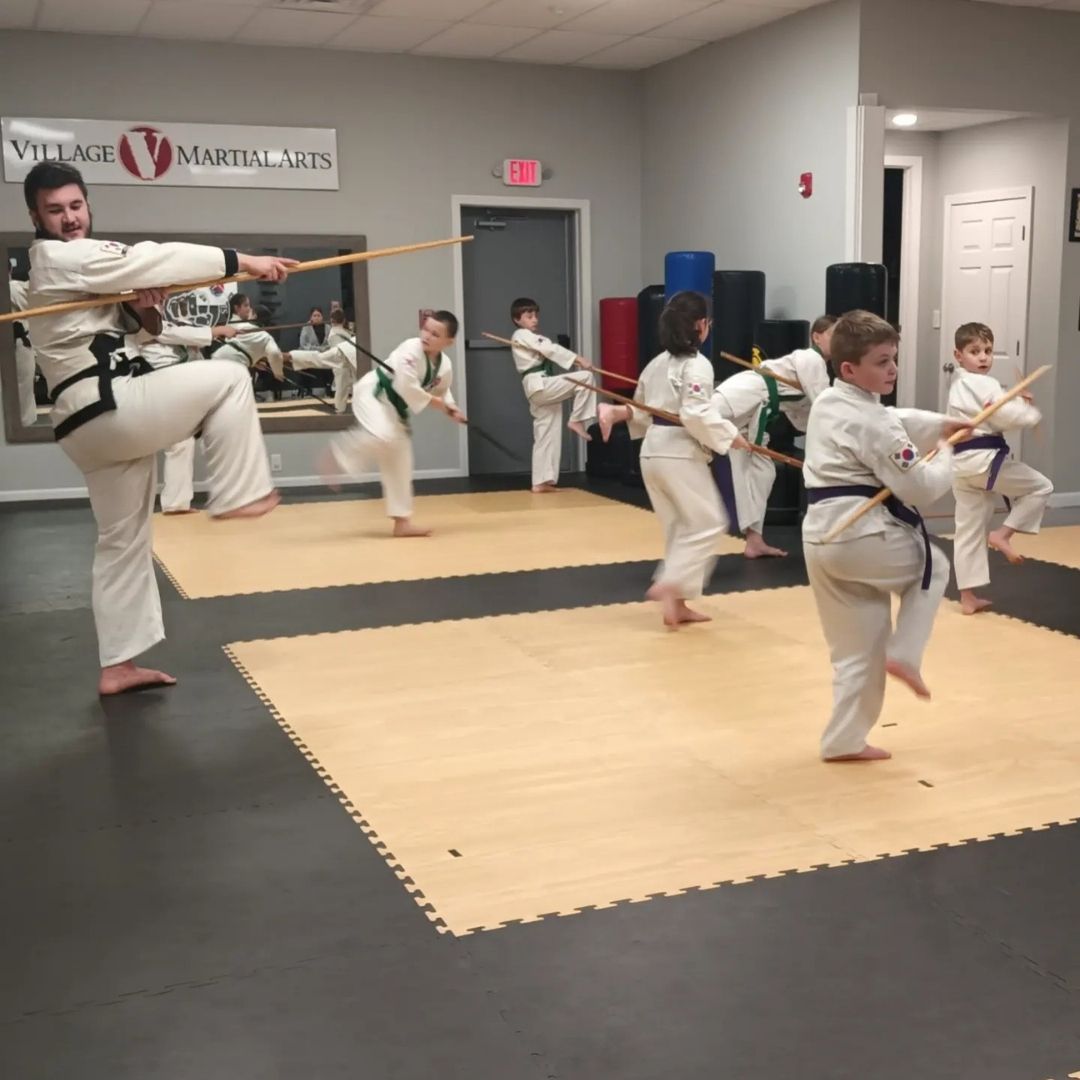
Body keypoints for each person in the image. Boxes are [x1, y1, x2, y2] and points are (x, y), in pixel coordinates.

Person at [23, 160, 294, 696]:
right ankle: (239, 493)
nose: (70, 218)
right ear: (36, 216)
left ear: (87, 206)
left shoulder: (79, 272)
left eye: (76, 206)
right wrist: (246, 261)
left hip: (88, 428)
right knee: (228, 378)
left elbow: (144, 331)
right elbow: (155, 256)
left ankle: (118, 665)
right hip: (107, 408)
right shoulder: (61, 257)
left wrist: (145, 309)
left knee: (122, 539)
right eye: (55, 210)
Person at [801, 310, 971, 762]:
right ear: (849, 369)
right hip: (860, 536)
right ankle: (908, 654)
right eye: (881, 362)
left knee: (857, 648)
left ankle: (844, 739)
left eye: (893, 359)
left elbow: (894, 416)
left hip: (821, 539)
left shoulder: (829, 403)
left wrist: (939, 424)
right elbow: (921, 488)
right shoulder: (876, 424)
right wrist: (950, 451)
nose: (892, 369)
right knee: (934, 566)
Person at [595, 291, 749, 628]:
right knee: (709, 522)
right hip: (676, 452)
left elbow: (644, 407)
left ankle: (675, 606)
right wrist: (728, 435)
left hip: (653, 451)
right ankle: (672, 580)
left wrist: (617, 412)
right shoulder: (698, 366)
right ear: (700, 325)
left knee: (680, 528)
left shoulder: (657, 363)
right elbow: (695, 413)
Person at [320, 310, 465, 537]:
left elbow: (442, 390)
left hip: (395, 411)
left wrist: (452, 408)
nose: (427, 335)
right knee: (383, 435)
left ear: (449, 342)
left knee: (401, 462)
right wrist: (441, 405)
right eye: (426, 328)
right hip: (374, 395)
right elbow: (406, 387)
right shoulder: (410, 348)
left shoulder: (444, 365)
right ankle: (340, 454)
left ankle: (402, 522)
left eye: (435, 334)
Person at [947, 321, 1052, 614]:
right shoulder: (983, 383)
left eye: (988, 351)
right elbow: (1002, 415)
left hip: (962, 466)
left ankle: (968, 597)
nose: (983, 357)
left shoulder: (959, 384)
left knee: (967, 529)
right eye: (975, 351)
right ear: (958, 355)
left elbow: (992, 412)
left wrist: (1016, 402)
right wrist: (1029, 413)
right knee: (1041, 487)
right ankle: (1002, 534)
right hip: (984, 461)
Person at [714, 315, 837, 558]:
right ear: (817, 336)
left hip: (756, 413)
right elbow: (824, 404)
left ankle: (754, 540)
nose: (839, 341)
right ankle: (643, 417)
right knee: (693, 420)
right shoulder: (811, 359)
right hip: (746, 392)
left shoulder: (817, 369)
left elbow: (804, 415)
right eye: (834, 335)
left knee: (763, 471)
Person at [509, 296, 596, 493]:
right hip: (539, 384)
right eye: (529, 316)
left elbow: (545, 349)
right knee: (585, 378)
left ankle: (541, 481)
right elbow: (548, 348)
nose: (535, 320)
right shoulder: (521, 334)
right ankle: (578, 419)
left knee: (546, 432)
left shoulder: (528, 338)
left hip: (539, 387)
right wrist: (578, 359)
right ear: (517, 319)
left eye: (536, 315)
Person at [284, 307, 356, 413]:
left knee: (345, 390)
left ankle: (342, 410)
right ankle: (340, 410)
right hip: (341, 363)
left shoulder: (334, 331)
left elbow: (326, 353)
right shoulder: (336, 332)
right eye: (315, 315)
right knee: (342, 390)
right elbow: (306, 346)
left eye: (318, 315)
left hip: (342, 360)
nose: (317, 318)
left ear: (331, 320)